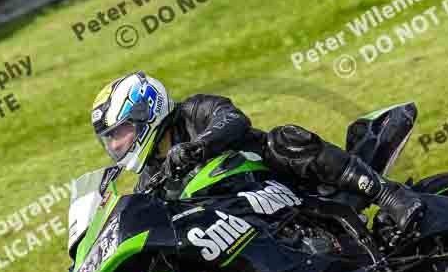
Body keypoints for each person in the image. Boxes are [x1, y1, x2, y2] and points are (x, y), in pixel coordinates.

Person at [90, 71, 424, 232]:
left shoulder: (194, 110)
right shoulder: (150, 176)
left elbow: (233, 119)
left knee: (284, 139)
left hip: (278, 181)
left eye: (120, 132)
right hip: (245, 226)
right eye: (110, 139)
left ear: (146, 112)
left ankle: (388, 193)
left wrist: (198, 146)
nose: (116, 145)